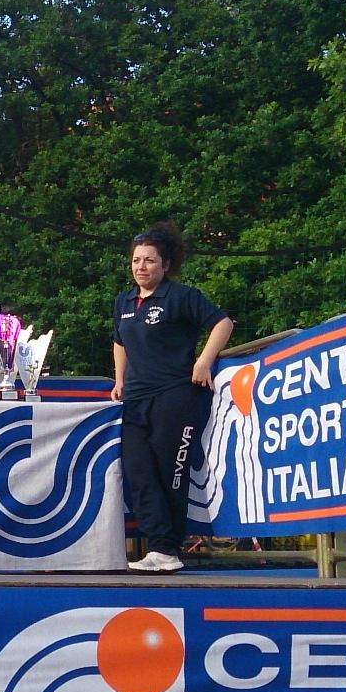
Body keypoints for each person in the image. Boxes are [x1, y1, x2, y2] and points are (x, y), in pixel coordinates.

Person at [111, 222, 234, 574]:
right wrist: (120, 380)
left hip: (176, 395)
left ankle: (168, 549)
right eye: (136, 260)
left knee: (171, 472)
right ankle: (157, 549)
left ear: (165, 265)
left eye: (150, 260)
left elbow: (222, 323)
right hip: (136, 399)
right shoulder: (124, 302)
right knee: (138, 472)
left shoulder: (182, 297)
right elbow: (119, 340)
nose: (141, 267)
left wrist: (204, 360)